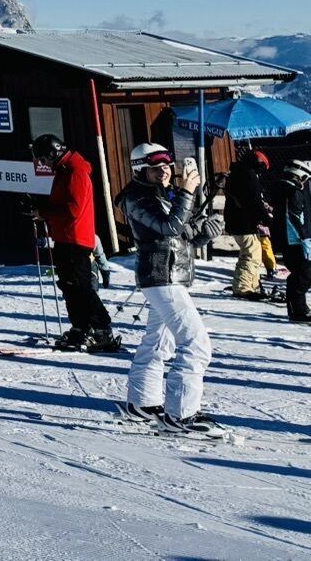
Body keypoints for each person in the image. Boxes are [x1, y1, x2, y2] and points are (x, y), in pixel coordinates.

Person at [117, 142, 225, 434]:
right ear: (140, 170)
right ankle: (181, 414)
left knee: (159, 342)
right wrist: (188, 192)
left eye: (166, 167)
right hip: (160, 275)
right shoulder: (136, 198)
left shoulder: (165, 195)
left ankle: (142, 402)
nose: (164, 172)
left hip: (170, 276)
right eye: (155, 168)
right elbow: (169, 228)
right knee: (196, 343)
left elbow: (183, 236)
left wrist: (206, 234)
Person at [31, 134, 122, 352]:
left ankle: (102, 329)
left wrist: (44, 212)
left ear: (54, 153)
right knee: (69, 286)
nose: (42, 164)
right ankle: (81, 327)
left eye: (43, 159)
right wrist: (42, 209)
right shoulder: (64, 171)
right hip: (65, 238)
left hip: (76, 239)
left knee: (80, 287)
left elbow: (74, 209)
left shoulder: (75, 171)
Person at [222, 145, 273, 299]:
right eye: (262, 168)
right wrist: (266, 219)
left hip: (237, 220)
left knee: (250, 253)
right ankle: (243, 287)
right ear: (257, 163)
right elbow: (254, 201)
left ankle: (251, 284)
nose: (261, 172)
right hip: (243, 222)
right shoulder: (248, 175)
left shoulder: (238, 172)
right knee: (251, 255)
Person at [281, 158, 311, 325]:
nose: (305, 182)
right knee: (303, 275)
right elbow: (293, 217)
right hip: (295, 241)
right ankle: (297, 311)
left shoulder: (286, 189)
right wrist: (304, 236)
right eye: (305, 178)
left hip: (293, 240)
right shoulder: (292, 191)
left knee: (302, 274)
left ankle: (299, 308)